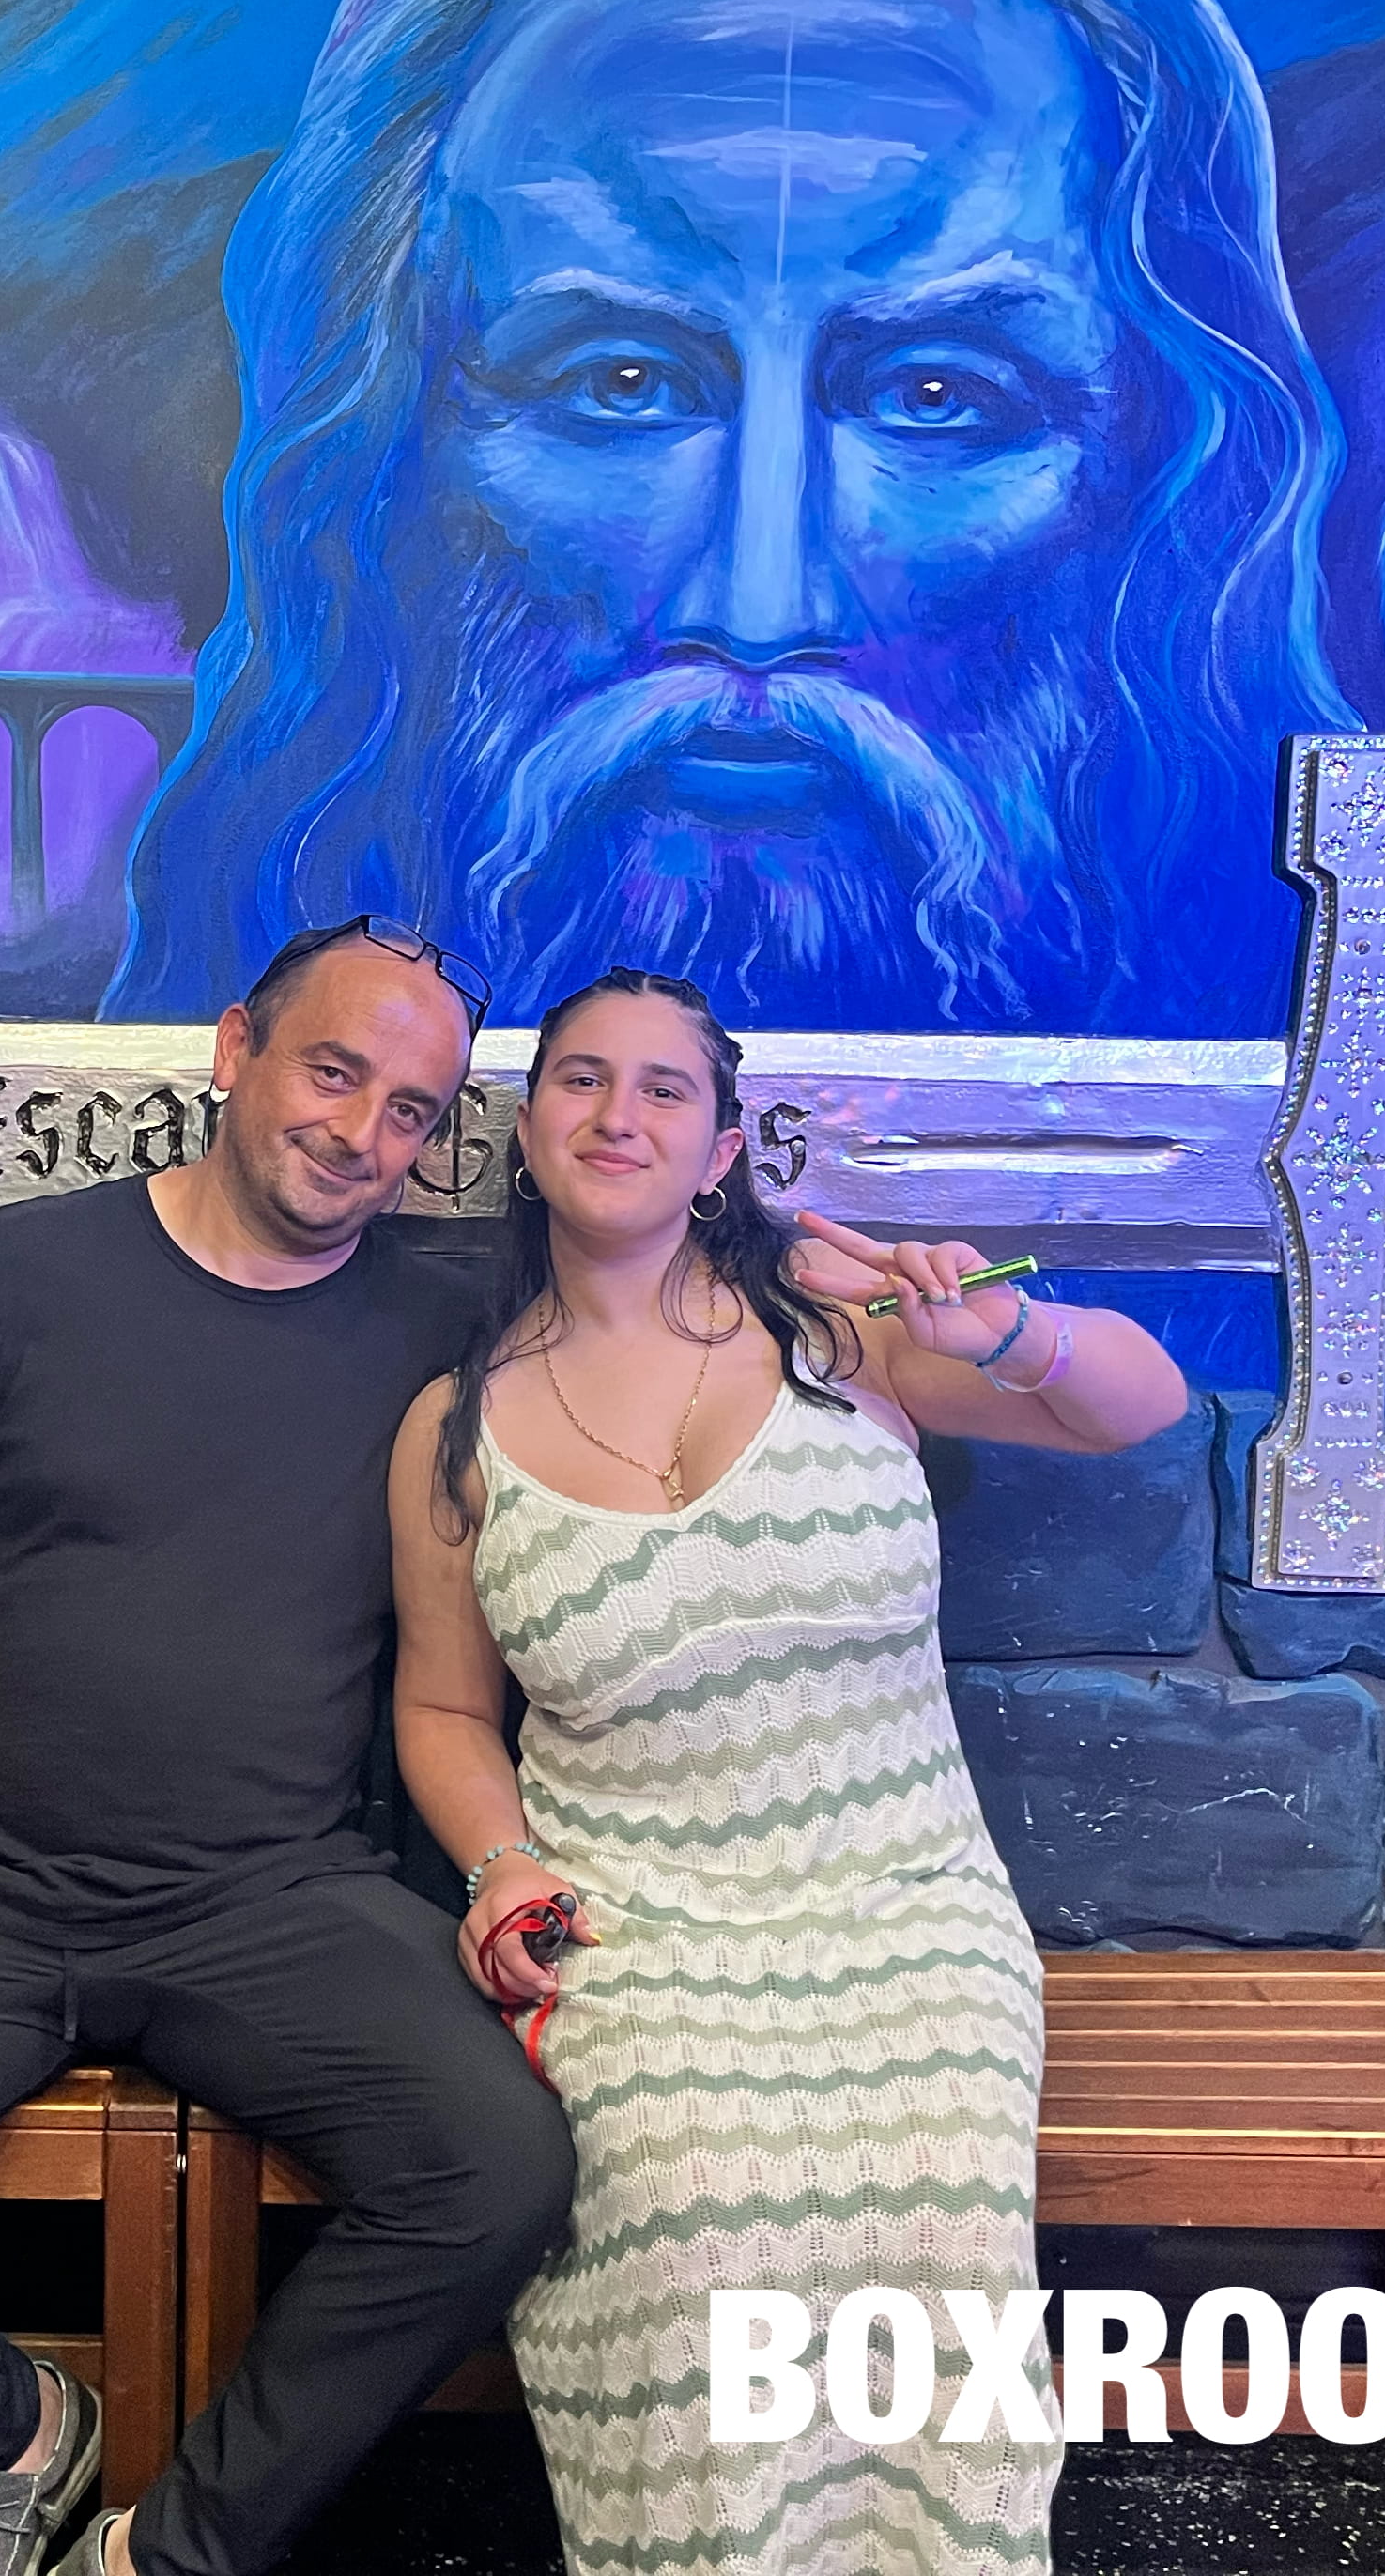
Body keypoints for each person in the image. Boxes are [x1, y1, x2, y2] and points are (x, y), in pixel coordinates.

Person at [107, 0, 1385, 1423]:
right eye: (619, 382)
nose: (759, 599)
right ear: (389, 460)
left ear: (1160, 483)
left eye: (938, 396)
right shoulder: (131, 1226)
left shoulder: (1348, 1107)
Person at [0, 917, 576, 2576]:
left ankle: (169, 2551)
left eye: (414, 1112)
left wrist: (845, 1287)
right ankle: (9, 2432)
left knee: (499, 2171)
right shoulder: (28, 1274)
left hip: (273, 1900)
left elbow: (671, 1319)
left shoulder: (446, 1330)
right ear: (234, 1049)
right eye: (334, 1073)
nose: (364, 1135)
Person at [390, 966, 1191, 2574]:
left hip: (907, 1911)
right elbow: (445, 1712)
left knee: (933, 2206)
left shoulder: (847, 1338)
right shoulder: (452, 1428)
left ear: (721, 1150)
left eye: (664, 1088)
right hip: (643, 1929)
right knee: (689, 2210)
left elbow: (1143, 1407)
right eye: (581, 1079)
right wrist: (502, 1863)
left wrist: (1004, 1329)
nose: (618, 1114)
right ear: (525, 1129)